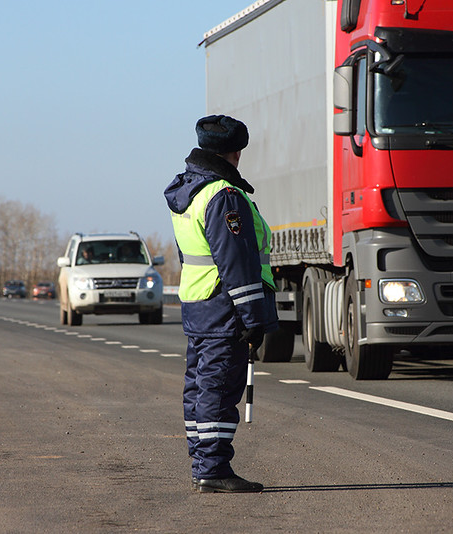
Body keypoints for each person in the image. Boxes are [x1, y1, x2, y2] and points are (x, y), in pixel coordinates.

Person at [164, 115, 278, 493]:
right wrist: (253, 316)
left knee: (200, 387)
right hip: (225, 307)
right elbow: (237, 261)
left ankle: (203, 462)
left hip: (199, 304)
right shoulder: (223, 195)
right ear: (236, 152)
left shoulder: (190, 189)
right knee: (217, 387)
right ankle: (212, 470)